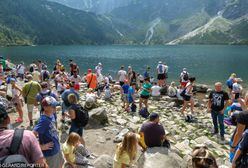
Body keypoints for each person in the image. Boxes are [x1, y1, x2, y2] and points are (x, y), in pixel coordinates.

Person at [33, 96, 64, 168]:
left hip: (57, 148)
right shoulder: (43, 120)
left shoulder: (52, 115)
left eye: (55, 105)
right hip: (50, 153)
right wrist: (40, 147)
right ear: (45, 107)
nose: (55, 108)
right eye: (52, 106)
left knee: (60, 164)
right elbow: (32, 135)